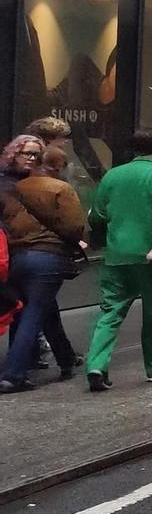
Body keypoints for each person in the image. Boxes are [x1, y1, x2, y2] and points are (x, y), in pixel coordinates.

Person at [82, 128, 152, 391]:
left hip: (117, 255)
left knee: (110, 311)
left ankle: (96, 364)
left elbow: (97, 215)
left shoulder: (112, 176)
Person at [0, 132, 87, 392]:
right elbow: (74, 226)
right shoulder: (57, 187)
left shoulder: (16, 187)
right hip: (45, 256)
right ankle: (13, 374)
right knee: (34, 311)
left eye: (34, 155)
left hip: (17, 255)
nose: (30, 159)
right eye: (26, 153)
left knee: (41, 309)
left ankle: (66, 358)